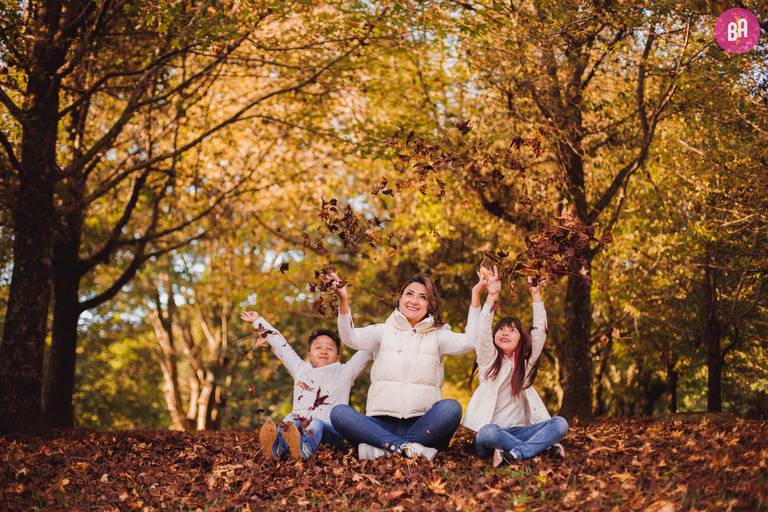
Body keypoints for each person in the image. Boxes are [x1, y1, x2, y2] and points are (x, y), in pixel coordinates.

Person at [328, 271, 485, 461]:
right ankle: (408, 449)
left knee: (451, 408)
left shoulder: (439, 335)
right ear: (400, 298)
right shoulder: (382, 331)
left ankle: (382, 449)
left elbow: (469, 342)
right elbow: (349, 337)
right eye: (409, 294)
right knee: (339, 413)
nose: (414, 301)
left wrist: (476, 296)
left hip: (424, 424)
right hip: (379, 423)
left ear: (430, 304)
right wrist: (343, 299)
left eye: (422, 297)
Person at [463, 268, 568, 466]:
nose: (505, 333)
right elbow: (482, 331)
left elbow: (539, 334)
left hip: (520, 430)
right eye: (501, 329)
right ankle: (542, 449)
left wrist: (536, 295)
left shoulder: (525, 367)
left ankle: (515, 454)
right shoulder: (488, 361)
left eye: (512, 331)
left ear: (521, 339)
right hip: (492, 433)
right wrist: (492, 296)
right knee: (489, 432)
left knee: (560, 423)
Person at [240, 310, 371, 461]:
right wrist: (257, 321)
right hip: (300, 430)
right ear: (309, 355)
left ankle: (304, 450)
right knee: (291, 418)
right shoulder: (300, 369)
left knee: (317, 423)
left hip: (331, 433)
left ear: (337, 357)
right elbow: (281, 346)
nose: (323, 351)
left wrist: (388, 331)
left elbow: (366, 351)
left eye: (330, 348)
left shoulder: (345, 372)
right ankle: (278, 448)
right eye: (318, 347)